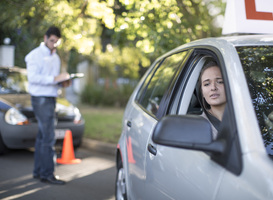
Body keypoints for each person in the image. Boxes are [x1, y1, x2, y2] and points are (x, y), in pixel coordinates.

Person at [25, 26, 71, 185]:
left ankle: (38, 172)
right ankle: (47, 174)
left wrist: (62, 83)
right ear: (45, 38)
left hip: (51, 98)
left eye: (57, 42)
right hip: (40, 99)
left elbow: (53, 81)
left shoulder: (56, 57)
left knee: (42, 136)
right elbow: (33, 78)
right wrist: (55, 78)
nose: (54, 44)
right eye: (52, 41)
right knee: (49, 136)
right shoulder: (34, 56)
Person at [198, 60, 226, 140]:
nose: (213, 88)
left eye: (220, 82)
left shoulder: (248, 118)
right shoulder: (197, 125)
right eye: (207, 84)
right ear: (202, 92)